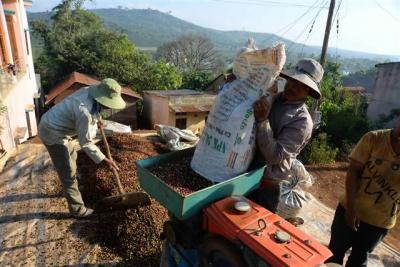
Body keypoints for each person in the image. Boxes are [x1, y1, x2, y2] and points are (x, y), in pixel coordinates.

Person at [38, 78, 126, 218]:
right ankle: (77, 210)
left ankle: (70, 190)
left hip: (57, 125)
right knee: (68, 170)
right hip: (53, 132)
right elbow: (86, 143)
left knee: (72, 157)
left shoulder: (90, 91)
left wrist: (98, 119)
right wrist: (104, 160)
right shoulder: (85, 113)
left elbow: (94, 108)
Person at [251, 58, 324, 213]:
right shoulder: (274, 98)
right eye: (293, 81)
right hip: (246, 171)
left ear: (309, 92)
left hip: (266, 183)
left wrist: (263, 121)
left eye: (302, 86)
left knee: (254, 226)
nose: (293, 87)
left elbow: (275, 156)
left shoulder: (302, 122)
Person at [326, 127, 400, 267]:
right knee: (334, 254)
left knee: (359, 259)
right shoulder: (374, 138)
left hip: (379, 222)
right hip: (350, 211)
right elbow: (354, 170)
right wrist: (351, 208)